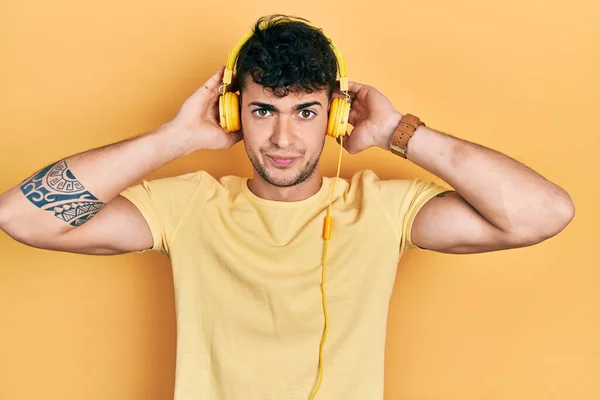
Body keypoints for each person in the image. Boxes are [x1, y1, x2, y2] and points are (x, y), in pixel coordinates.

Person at [0, 14, 574, 400]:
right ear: (232, 114)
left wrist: (400, 132)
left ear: (337, 115)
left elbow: (544, 212)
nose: (282, 139)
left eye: (304, 110)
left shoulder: (380, 208)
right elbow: (20, 216)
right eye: (262, 110)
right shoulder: (190, 206)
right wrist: (175, 138)